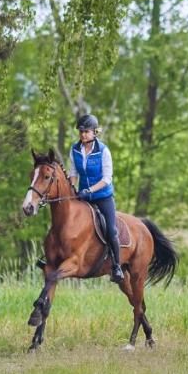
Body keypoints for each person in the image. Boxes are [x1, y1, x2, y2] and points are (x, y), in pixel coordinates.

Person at [67, 113, 124, 283]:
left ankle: (117, 266)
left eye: (86, 131)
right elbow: (73, 174)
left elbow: (107, 179)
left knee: (111, 230)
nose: (83, 134)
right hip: (83, 195)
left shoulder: (104, 151)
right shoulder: (74, 150)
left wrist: (89, 190)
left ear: (95, 132)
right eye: (81, 131)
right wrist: (72, 192)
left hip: (102, 196)